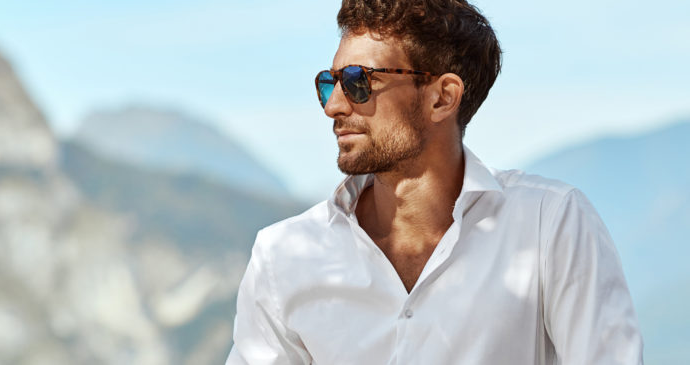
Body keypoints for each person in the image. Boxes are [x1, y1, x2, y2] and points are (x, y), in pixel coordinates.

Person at [226, 0, 644, 364]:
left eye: (358, 82)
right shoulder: (283, 256)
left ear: (442, 97)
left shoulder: (550, 224)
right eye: (328, 83)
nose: (333, 105)